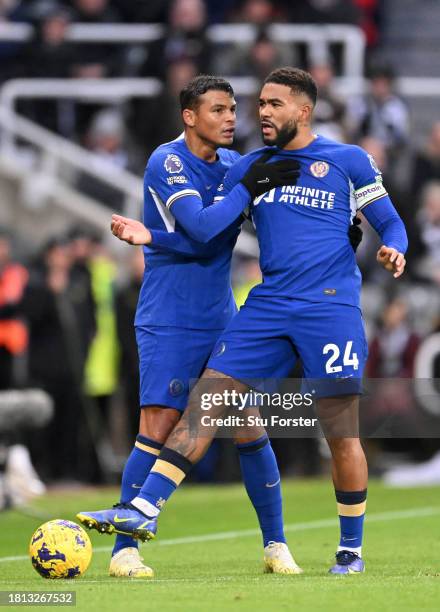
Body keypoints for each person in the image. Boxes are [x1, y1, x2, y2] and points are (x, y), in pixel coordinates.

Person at [78, 68, 392, 577]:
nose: (238, 117)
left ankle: (277, 545)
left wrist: (337, 233)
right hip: (171, 313)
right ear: (190, 116)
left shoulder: (236, 164)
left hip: (226, 310)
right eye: (221, 110)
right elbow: (202, 230)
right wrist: (153, 237)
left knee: (248, 423)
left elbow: (246, 226)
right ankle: (125, 548)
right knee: (160, 423)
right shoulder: (171, 160)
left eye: (235, 108)